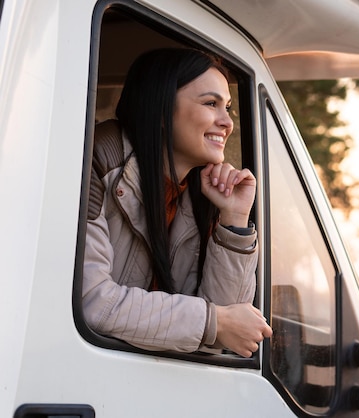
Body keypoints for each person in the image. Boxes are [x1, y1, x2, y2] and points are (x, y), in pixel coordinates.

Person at [82, 48, 272, 357]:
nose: (227, 122)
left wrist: (235, 219)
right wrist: (214, 323)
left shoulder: (202, 194)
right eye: (211, 104)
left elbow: (226, 335)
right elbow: (92, 301)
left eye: (228, 108)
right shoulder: (97, 158)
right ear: (159, 109)